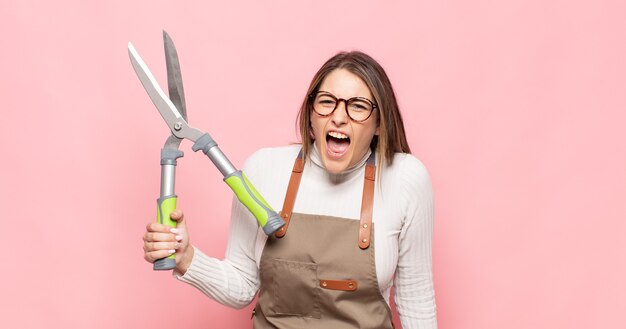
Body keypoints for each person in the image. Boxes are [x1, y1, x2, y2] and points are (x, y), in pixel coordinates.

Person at [143, 51, 437, 328]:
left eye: (358, 106)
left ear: (378, 124)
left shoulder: (405, 179)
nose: (339, 116)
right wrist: (185, 257)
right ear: (311, 114)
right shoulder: (265, 169)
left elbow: (416, 300)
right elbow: (242, 286)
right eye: (326, 101)